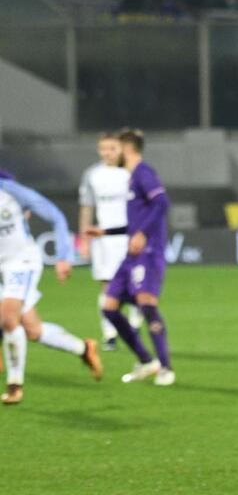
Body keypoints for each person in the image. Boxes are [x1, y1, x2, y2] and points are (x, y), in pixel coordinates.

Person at [0, 170, 103, 404]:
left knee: (9, 318)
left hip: (20, 262)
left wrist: (63, 256)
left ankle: (14, 386)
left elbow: (55, 215)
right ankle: (84, 348)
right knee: (33, 330)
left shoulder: (11, 191)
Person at [83, 129, 175, 387]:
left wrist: (143, 234)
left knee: (147, 305)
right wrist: (106, 232)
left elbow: (162, 202)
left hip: (148, 253)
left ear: (127, 149)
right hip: (131, 254)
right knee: (109, 307)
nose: (111, 154)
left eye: (116, 148)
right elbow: (135, 223)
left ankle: (166, 368)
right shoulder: (132, 178)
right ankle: (146, 361)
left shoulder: (144, 173)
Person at [79, 132, 141, 352]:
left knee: (135, 283)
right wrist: (84, 239)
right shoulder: (92, 174)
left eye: (112, 148)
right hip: (104, 239)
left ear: (121, 148)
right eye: (103, 148)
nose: (108, 153)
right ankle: (110, 334)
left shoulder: (131, 172)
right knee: (107, 285)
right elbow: (87, 207)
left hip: (129, 237)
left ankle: (134, 325)